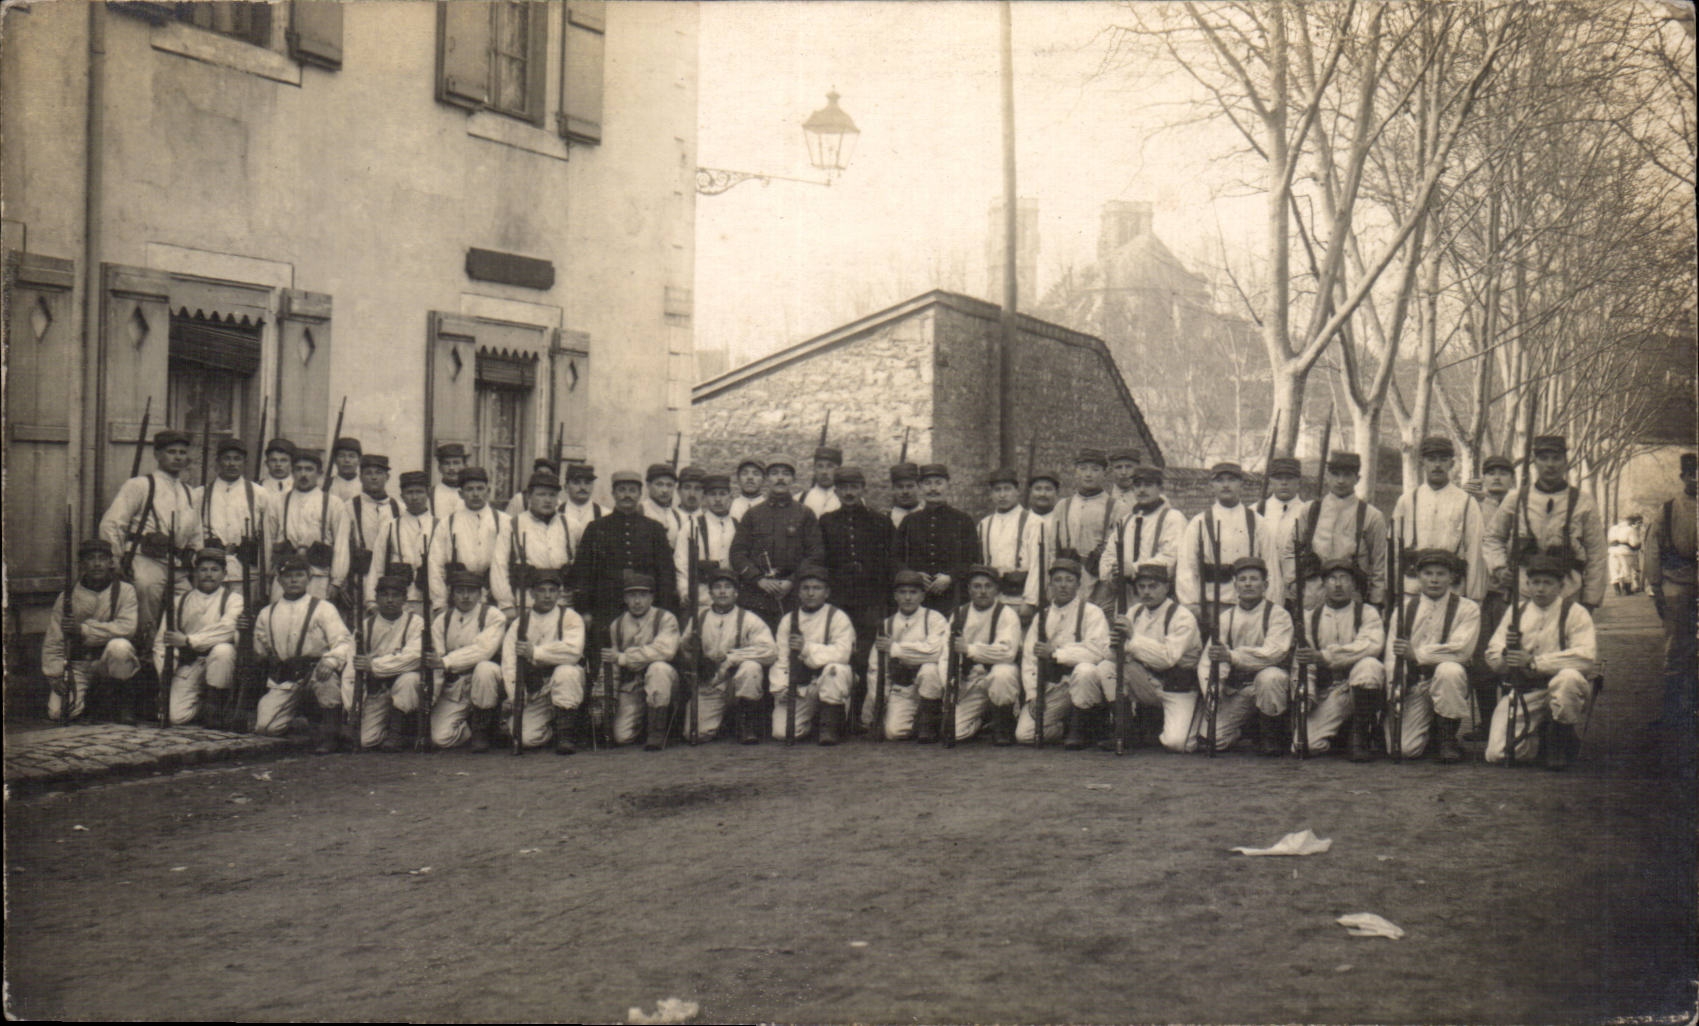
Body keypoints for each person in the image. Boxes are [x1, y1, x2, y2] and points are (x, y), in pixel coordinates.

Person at [1484, 554, 1597, 769]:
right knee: (1497, 754)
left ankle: (1560, 737)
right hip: (1526, 690)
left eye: (1548, 583)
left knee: (1569, 677)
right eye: (1535, 582)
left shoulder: (1575, 612)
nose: (1541, 589)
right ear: (1527, 584)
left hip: (1559, 688)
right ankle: (1540, 738)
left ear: (1561, 586)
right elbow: (1492, 654)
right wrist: (1507, 655)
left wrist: (1534, 662)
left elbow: (1585, 657)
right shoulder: (1516, 611)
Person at [99, 428, 201, 652]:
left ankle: (182, 651)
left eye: (182, 453)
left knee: (190, 601)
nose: (177, 457)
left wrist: (194, 553)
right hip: (145, 558)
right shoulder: (140, 485)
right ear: (157, 455)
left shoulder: (189, 492)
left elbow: (196, 531)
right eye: (171, 452)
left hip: (177, 563)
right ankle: (146, 649)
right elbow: (112, 523)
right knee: (145, 590)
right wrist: (116, 560)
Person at [1483, 434, 1608, 612]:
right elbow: (1492, 537)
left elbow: (1597, 552)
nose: (1550, 465)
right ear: (1535, 462)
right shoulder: (1516, 499)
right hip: (1524, 589)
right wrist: (1499, 568)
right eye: (1544, 458)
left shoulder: (1583, 501)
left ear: (1565, 462)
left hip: (1568, 590)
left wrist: (1591, 598)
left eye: (1556, 458)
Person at [1383, 550, 1481, 763]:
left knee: (1450, 670)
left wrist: (1417, 654)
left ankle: (1447, 739)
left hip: (1445, 681)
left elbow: (1461, 651)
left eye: (1441, 574)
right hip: (1414, 682)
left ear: (1452, 577)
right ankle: (1430, 731)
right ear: (1418, 577)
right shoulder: (1404, 608)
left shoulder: (1468, 608)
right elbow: (1392, 654)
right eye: (1428, 573)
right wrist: (1395, 686)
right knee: (1404, 750)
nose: (1434, 579)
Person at [252, 555, 353, 753]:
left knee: (326, 680)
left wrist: (331, 662)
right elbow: (260, 650)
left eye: (299, 575)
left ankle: (330, 733)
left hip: (315, 671)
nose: (293, 580)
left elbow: (344, 641)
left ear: (308, 578)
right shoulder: (267, 613)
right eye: (288, 576)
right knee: (266, 727)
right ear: (279, 581)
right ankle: (305, 718)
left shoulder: (324, 608)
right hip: (286, 677)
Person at [1193, 557, 1293, 755]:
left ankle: (1270, 736)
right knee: (1211, 741)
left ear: (1265, 585)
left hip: (1266, 685)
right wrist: (1214, 688)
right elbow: (1211, 658)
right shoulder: (1225, 618)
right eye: (1243, 579)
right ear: (1235, 585)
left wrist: (1232, 656)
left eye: (1254, 579)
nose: (1248, 584)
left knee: (1271, 676)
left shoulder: (1277, 615)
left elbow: (1273, 653)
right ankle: (1246, 728)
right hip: (1237, 689)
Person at [818, 466, 895, 723]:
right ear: (836, 491)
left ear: (863, 489)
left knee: (865, 656)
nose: (849, 493)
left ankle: (863, 715)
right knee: (841, 654)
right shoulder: (827, 522)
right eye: (843, 488)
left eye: (854, 487)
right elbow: (822, 561)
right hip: (839, 601)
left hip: (870, 601)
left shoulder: (880, 521)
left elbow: (890, 562)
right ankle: (837, 713)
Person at [1289, 560, 1385, 759]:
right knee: (1305, 745)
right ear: (1324, 584)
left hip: (1355, 684)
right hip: (1328, 690)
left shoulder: (1367, 612)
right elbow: (1304, 661)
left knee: (1369, 665)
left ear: (1354, 585)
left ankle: (1360, 735)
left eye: (1344, 579)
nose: (1338, 584)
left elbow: (1370, 646)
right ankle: (1341, 732)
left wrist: (1325, 656)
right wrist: (1307, 694)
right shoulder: (1310, 618)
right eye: (1332, 579)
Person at [41, 540, 141, 722]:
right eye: (90, 559)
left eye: (102, 559)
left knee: (120, 647)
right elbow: (54, 639)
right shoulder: (67, 597)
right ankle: (89, 703)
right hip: (78, 665)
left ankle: (122, 701)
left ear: (111, 562)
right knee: (59, 713)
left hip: (106, 663)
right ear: (82, 564)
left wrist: (84, 630)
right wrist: (54, 675)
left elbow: (127, 628)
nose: (96, 564)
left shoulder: (125, 591)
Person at [569, 470, 677, 632]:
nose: (627, 495)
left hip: (646, 607)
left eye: (632, 490)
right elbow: (583, 573)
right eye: (622, 490)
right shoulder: (596, 528)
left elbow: (666, 572)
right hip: (605, 606)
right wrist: (584, 610)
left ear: (640, 494)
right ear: (613, 493)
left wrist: (663, 609)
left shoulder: (654, 529)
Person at [1019, 557, 1111, 745]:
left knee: (1085, 670)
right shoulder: (1041, 616)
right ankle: (1065, 726)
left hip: (1083, 684)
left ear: (1078, 584)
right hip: (1054, 687)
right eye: (1058, 580)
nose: (1063, 586)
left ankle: (1081, 729)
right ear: (1050, 585)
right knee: (1026, 735)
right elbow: (1029, 659)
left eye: (1069, 580)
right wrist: (1033, 694)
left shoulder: (1092, 612)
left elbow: (1097, 652)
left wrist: (1057, 654)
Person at [1176, 463, 1284, 622]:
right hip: (1213, 604)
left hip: (1251, 605)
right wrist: (1191, 603)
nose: (1226, 485)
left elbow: (1271, 565)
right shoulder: (1199, 522)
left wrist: (1271, 605)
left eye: (1232, 480)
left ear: (1241, 484)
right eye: (1220, 480)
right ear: (1211, 485)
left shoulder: (1257, 522)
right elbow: (1187, 565)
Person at [1112, 563, 1201, 752]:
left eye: (1153, 586)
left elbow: (1167, 658)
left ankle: (1162, 722)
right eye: (1142, 586)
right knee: (1106, 668)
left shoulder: (1182, 616)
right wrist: (1115, 644)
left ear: (1166, 588)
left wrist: (1132, 638)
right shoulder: (1134, 612)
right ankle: (1126, 730)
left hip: (1177, 688)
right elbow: (1114, 653)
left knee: (1177, 743)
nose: (1146, 592)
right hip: (1147, 682)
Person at [686, 566, 778, 744]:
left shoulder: (749, 618)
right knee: (695, 733)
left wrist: (732, 658)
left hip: (737, 681)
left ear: (736, 593)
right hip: (711, 682)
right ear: (710, 593)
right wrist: (694, 655)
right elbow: (684, 650)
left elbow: (770, 651)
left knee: (751, 668)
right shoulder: (699, 618)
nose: (722, 591)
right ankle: (724, 722)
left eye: (727, 587)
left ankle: (746, 723)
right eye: (717, 587)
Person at [1284, 451, 1388, 609]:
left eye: (1347, 475)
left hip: (1352, 594)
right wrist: (1293, 582)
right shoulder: (1310, 510)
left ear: (1357, 479)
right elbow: (1291, 549)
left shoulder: (1371, 516)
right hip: (1312, 593)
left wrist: (1376, 599)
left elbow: (1379, 562)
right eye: (1335, 474)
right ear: (1327, 476)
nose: (1341, 481)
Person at [729, 456, 824, 626]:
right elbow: (737, 553)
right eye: (774, 473)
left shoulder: (805, 514)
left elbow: (816, 554)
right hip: (756, 595)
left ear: (793, 479)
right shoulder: (753, 514)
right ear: (767, 479)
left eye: (786, 474)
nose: (780, 478)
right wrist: (758, 579)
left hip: (792, 595)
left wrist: (792, 581)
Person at [153, 547, 243, 727]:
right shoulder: (179, 601)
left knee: (223, 650)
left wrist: (188, 641)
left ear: (224, 574)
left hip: (219, 663)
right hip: (189, 662)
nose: (208, 575)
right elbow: (162, 641)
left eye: (214, 570)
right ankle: (203, 705)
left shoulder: (234, 599)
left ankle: (216, 705)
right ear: (195, 572)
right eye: (203, 569)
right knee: (177, 717)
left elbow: (227, 628)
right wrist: (166, 671)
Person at [500, 569, 587, 754]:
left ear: (559, 593)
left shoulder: (570, 617)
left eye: (552, 590)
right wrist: (516, 693)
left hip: (564, 682)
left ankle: (566, 734)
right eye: (542, 590)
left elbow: (573, 652)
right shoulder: (519, 623)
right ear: (532, 593)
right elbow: (509, 663)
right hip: (536, 688)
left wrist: (535, 652)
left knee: (567, 671)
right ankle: (553, 727)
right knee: (526, 738)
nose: (547, 596)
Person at [1391, 436, 1486, 600]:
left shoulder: (1466, 502)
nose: (1437, 465)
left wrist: (1474, 597)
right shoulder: (1407, 501)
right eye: (1431, 459)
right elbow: (1393, 548)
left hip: (1452, 590)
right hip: (1412, 589)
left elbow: (1475, 551)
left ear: (1452, 464)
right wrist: (1391, 590)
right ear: (1422, 462)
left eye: (1443, 459)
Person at [423, 569, 508, 751]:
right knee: (440, 738)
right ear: (452, 594)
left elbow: (483, 650)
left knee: (485, 669)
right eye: (460, 591)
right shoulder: (441, 621)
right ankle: (469, 726)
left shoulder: (493, 616)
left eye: (472, 591)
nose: (466, 596)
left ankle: (482, 729)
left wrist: (446, 661)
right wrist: (432, 697)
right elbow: (436, 661)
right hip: (455, 687)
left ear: (481, 594)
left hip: (488, 683)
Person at [771, 566, 856, 744]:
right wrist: (781, 687)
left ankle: (830, 727)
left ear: (826, 593)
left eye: (816, 588)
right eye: (806, 588)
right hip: (801, 685)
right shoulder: (788, 620)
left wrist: (806, 648)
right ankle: (813, 721)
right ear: (799, 592)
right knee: (783, 733)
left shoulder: (838, 617)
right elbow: (781, 658)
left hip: (828, 680)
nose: (811, 593)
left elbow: (842, 654)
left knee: (836, 669)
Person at [865, 570, 950, 741]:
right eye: (903, 593)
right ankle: (918, 720)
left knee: (929, 669)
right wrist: (882, 698)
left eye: (913, 592)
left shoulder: (934, 618)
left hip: (929, 685)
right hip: (902, 687)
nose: (908, 598)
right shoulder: (887, 624)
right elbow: (876, 666)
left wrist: (895, 649)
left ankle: (930, 720)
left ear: (922, 596)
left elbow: (935, 652)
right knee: (894, 733)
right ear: (895, 596)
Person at [601, 571, 681, 750]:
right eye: (632, 595)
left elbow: (664, 651)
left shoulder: (665, 618)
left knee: (658, 668)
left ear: (652, 597)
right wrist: (607, 696)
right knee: (622, 737)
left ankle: (656, 733)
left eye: (643, 595)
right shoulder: (617, 625)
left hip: (664, 680)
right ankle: (644, 722)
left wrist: (625, 657)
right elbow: (612, 663)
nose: (637, 601)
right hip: (633, 683)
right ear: (625, 598)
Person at [346, 573, 425, 752]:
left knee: (410, 679)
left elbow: (414, 657)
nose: (390, 600)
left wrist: (374, 665)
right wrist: (351, 705)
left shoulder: (415, 622)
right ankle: (391, 727)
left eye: (396, 595)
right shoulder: (366, 625)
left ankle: (398, 733)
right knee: (366, 740)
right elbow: (352, 665)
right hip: (377, 690)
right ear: (376, 598)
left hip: (403, 686)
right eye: (384, 595)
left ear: (405, 599)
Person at [1645, 452, 1695, 734]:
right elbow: (1652, 547)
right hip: (1678, 583)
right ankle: (1674, 712)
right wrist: (1655, 584)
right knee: (1676, 648)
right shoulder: (1668, 509)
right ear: (1684, 477)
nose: (1696, 479)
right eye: (1692, 474)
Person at [1096, 464, 1185, 611]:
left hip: (1158, 598)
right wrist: (1113, 572)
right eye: (1137, 486)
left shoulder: (1173, 518)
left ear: (1160, 488)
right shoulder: (1126, 521)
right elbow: (1108, 554)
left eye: (1148, 485)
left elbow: (1170, 557)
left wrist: (1134, 569)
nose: (1142, 490)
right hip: (1126, 597)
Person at [896, 463, 980, 615]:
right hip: (918, 599)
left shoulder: (963, 520)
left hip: (954, 597)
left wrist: (951, 577)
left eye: (938, 483)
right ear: (920, 487)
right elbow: (896, 558)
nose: (933, 489)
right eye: (927, 484)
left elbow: (974, 559)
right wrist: (914, 576)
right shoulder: (909, 521)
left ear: (948, 486)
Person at [270, 449, 350, 604]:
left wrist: (336, 582)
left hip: (317, 575)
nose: (303, 474)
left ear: (319, 473)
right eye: (298, 469)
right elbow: (269, 539)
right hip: (285, 575)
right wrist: (267, 575)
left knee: (314, 619)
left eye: (309, 469)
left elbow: (341, 544)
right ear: (292, 472)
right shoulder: (278, 501)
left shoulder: (333, 503)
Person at [493, 471, 572, 617]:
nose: (547, 500)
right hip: (526, 604)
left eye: (552, 495)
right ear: (529, 496)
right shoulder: (513, 525)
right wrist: (506, 605)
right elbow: (499, 566)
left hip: (561, 603)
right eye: (541, 494)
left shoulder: (570, 525)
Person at [426, 466, 507, 605]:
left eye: (480, 488)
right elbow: (435, 564)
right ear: (461, 494)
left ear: (488, 491)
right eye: (469, 489)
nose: (475, 494)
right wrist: (439, 602)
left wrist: (506, 603)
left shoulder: (504, 521)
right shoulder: (447, 524)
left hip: (494, 595)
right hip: (459, 595)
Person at [195, 437, 271, 583]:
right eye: (227, 458)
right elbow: (195, 534)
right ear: (217, 462)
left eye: (237, 459)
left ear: (244, 463)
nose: (232, 464)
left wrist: (265, 573)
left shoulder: (259, 493)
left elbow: (266, 537)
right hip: (211, 571)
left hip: (247, 569)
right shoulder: (201, 494)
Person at [1047, 449, 1117, 599]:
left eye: (1095, 469)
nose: (1088, 474)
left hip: (1098, 579)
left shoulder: (1115, 507)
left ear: (1105, 473)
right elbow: (1053, 548)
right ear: (1076, 471)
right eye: (1083, 468)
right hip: (1067, 577)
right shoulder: (1063, 506)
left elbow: (1117, 550)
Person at [367, 470, 435, 615]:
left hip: (432, 600)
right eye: (410, 492)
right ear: (402, 495)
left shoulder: (440, 525)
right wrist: (372, 601)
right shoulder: (391, 526)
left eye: (420, 492)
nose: (415, 497)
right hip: (399, 601)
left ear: (428, 493)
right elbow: (377, 565)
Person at [979, 467, 1043, 615]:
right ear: (991, 494)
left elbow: (1037, 565)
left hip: (1019, 599)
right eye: (997, 490)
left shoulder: (1033, 522)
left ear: (1017, 491)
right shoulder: (984, 524)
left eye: (1007, 489)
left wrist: (1030, 602)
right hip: (992, 599)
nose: (1002, 495)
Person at [675, 472, 739, 612]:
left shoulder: (738, 526)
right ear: (704, 498)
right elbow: (682, 563)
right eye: (712, 494)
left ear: (730, 497)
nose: (717, 499)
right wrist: (684, 591)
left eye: (722, 494)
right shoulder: (692, 526)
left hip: (733, 599)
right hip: (702, 599)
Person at [345, 454, 400, 611]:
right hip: (359, 578)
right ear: (360, 477)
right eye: (369, 473)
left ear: (387, 477)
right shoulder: (349, 507)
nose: (374, 478)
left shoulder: (398, 508)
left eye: (379, 473)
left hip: (390, 580)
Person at [1256, 456, 1310, 568]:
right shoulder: (1255, 510)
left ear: (1299, 482)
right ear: (1271, 481)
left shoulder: (1308, 512)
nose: (1284, 483)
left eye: (1289, 478)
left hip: (1296, 578)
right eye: (1279, 478)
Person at [559, 463, 605, 561]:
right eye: (576, 482)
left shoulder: (605, 514)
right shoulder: (556, 514)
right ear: (566, 487)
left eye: (587, 483)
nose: (583, 487)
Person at [641, 463, 687, 546]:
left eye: (669, 485)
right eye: (659, 484)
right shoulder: (640, 511)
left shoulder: (678, 517)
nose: (665, 490)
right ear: (648, 485)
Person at [803, 445, 843, 517]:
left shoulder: (848, 499)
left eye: (830, 466)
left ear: (839, 469)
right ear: (814, 469)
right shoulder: (801, 498)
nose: (824, 472)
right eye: (820, 466)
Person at [431, 442, 468, 519]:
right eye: (446, 463)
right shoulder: (431, 493)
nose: (451, 468)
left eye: (456, 463)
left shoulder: (471, 492)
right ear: (439, 468)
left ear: (465, 466)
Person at [1106, 447, 1143, 517]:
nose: (1124, 472)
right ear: (1111, 470)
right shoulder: (1105, 496)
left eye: (1129, 467)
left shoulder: (1147, 497)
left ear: (1138, 468)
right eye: (1118, 467)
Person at [328, 436, 364, 503]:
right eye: (341, 456)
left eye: (352, 456)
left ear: (360, 460)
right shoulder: (326, 484)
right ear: (335, 460)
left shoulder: (364, 485)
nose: (347, 460)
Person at [887, 462, 923, 528]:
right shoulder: (886, 520)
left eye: (910, 486)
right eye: (900, 487)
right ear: (893, 489)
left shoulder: (927, 517)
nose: (905, 492)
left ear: (919, 487)